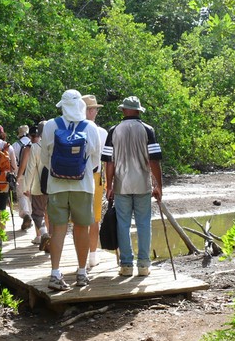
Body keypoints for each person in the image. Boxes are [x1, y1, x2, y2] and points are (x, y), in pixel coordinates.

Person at [40, 89, 101, 290]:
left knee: (58, 229)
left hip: (56, 186)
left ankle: (55, 274)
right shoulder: (90, 127)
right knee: (81, 228)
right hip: (83, 186)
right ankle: (82, 272)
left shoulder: (50, 125)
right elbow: (95, 161)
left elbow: (44, 159)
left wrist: (59, 172)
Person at [101, 96, 163, 276]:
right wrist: (158, 185)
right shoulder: (147, 130)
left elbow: (109, 162)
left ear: (124, 110)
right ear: (138, 110)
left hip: (122, 185)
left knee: (123, 224)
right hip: (142, 184)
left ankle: (126, 265)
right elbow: (154, 160)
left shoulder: (113, 130)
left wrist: (109, 186)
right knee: (144, 224)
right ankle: (143, 265)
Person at [82, 94, 108, 270]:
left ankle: (81, 258)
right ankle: (92, 256)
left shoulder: (71, 129)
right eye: (95, 109)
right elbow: (106, 160)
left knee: (78, 220)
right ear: (90, 111)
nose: (96, 112)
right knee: (94, 219)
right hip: (96, 177)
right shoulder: (101, 132)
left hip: (74, 178)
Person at [24, 121, 50, 250]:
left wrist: (26, 187)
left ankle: (44, 233)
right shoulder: (57, 145)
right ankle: (52, 238)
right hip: (56, 186)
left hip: (39, 187)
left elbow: (30, 169)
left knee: (38, 213)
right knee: (52, 214)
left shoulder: (35, 147)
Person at [12, 125, 33, 231]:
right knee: (31, 195)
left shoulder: (15, 145)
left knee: (21, 196)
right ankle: (32, 216)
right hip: (33, 174)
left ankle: (26, 214)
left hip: (19, 174)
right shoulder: (33, 143)